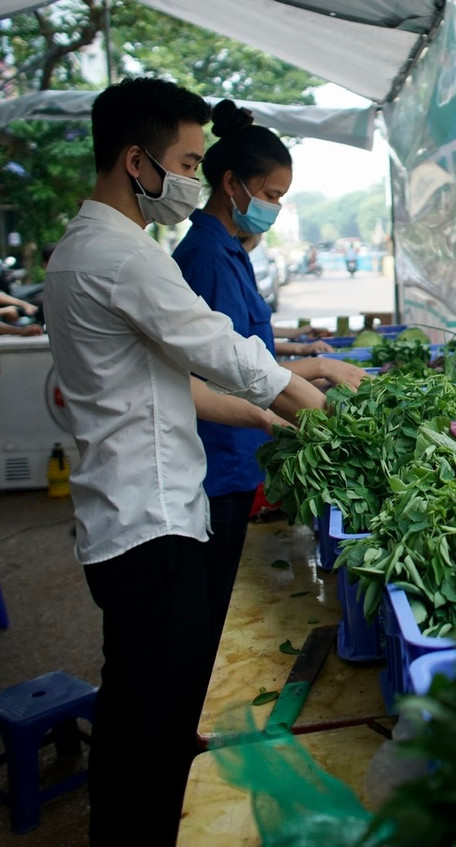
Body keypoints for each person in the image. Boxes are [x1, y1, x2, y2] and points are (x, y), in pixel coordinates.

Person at [42, 77, 330, 845]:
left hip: (126, 519)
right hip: (149, 525)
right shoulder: (120, 256)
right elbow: (224, 352)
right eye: (188, 161)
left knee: (144, 711)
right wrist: (318, 403)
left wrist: (276, 409)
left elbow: (172, 388)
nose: (193, 180)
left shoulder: (87, 249)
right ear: (137, 161)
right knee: (152, 723)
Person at [172, 99, 366, 659]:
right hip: (222, 453)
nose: (275, 208)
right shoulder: (207, 256)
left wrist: (304, 358)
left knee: (219, 593)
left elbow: (247, 342)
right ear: (232, 184)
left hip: (239, 447)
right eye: (272, 195)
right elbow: (232, 370)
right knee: (213, 605)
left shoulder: (226, 250)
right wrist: (321, 368)